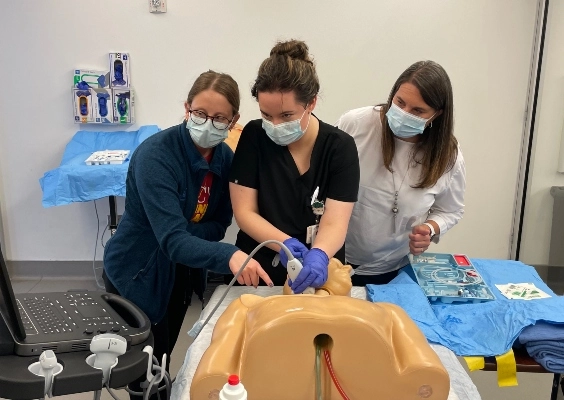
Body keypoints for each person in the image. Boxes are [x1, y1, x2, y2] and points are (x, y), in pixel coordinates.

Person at [103, 70, 272, 396]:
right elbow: (170, 240)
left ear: (234, 120)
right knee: (146, 367)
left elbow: (220, 220)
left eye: (219, 118)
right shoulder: (156, 156)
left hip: (180, 267)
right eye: (200, 114)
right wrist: (227, 254)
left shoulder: (224, 159)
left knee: (165, 352)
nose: (208, 123)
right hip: (138, 270)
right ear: (187, 108)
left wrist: (186, 236)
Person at [228, 40, 360, 294]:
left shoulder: (340, 148)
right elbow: (244, 212)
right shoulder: (254, 136)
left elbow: (334, 222)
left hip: (320, 271)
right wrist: (284, 243)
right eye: (267, 115)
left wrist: (319, 254)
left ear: (311, 103)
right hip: (259, 268)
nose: (275, 124)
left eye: (286, 116)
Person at [336, 61, 466, 286]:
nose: (404, 114)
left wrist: (429, 228)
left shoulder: (447, 157)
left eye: (418, 111)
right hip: (335, 260)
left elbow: (450, 210)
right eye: (400, 102)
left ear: (437, 114)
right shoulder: (356, 124)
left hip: (392, 270)